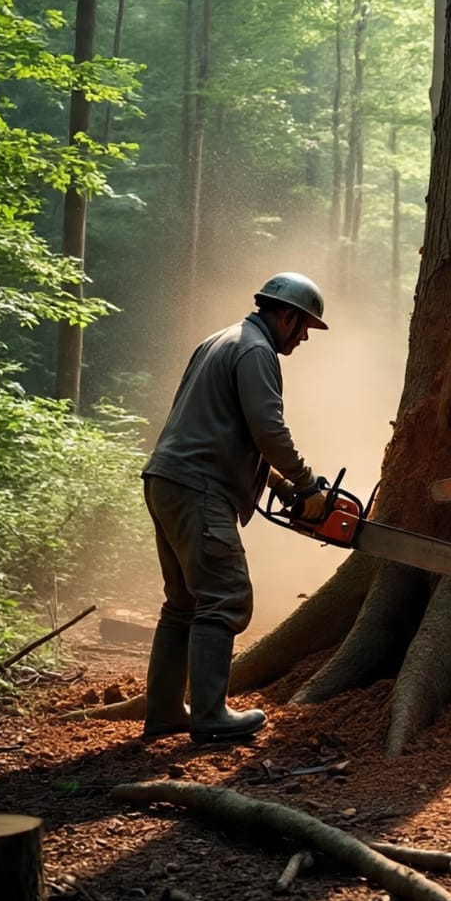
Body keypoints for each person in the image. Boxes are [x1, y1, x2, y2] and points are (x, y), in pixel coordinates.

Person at [140, 272, 330, 744]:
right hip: (199, 487)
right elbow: (267, 429)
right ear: (285, 316)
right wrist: (308, 485)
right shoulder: (257, 351)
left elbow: (229, 431)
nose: (304, 337)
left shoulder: (220, 341)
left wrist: (284, 487)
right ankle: (210, 716)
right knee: (226, 596)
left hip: (169, 479)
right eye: (304, 326)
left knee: (183, 603)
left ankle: (165, 711)